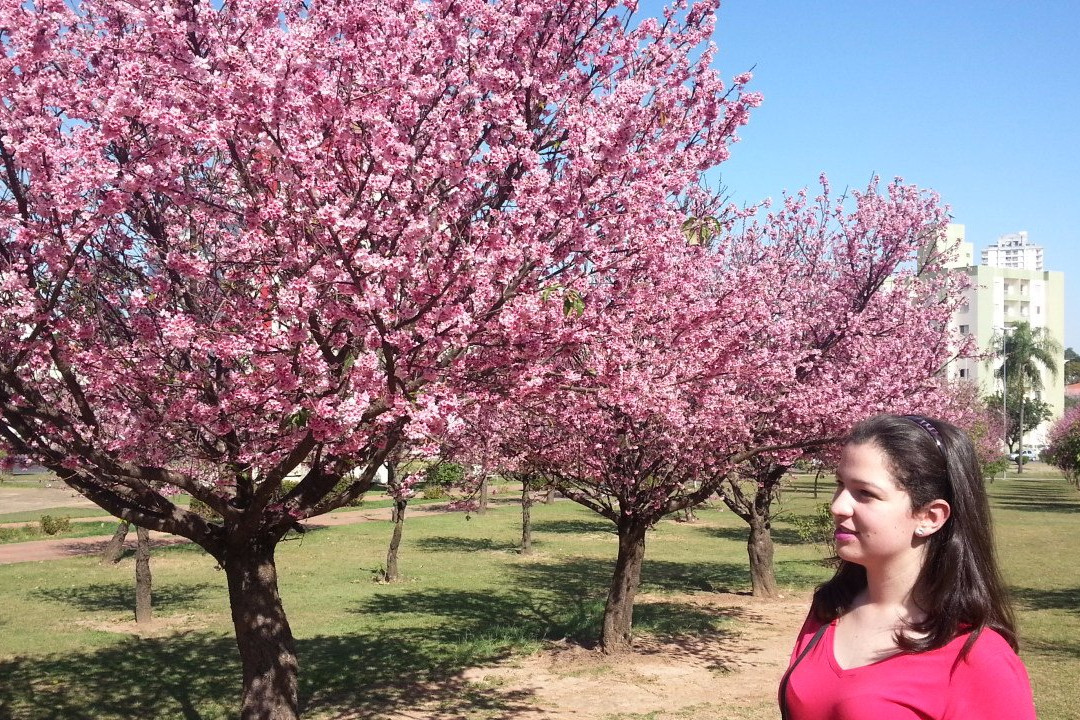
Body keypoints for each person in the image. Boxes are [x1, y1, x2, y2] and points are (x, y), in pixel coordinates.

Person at [778, 414, 1037, 720]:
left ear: (930, 517)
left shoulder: (977, 658)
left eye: (865, 493)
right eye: (840, 485)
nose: (837, 506)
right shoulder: (829, 611)